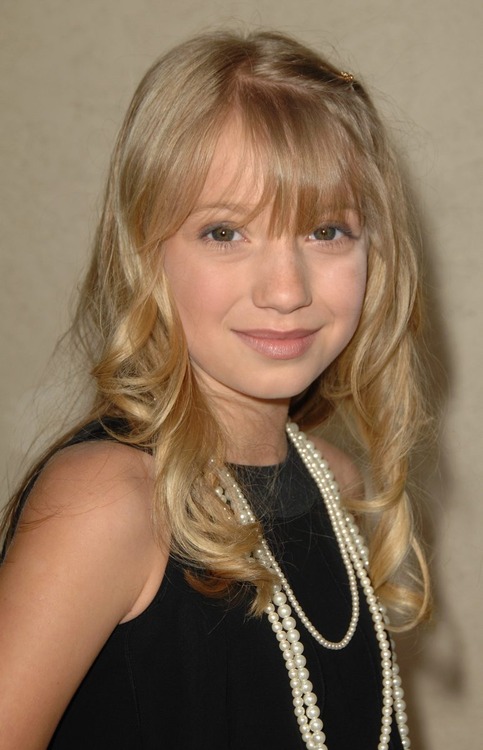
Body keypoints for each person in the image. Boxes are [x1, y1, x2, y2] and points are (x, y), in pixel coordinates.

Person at [0, 29, 431, 750]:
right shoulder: (108, 502)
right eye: (225, 233)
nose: (286, 291)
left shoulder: (336, 482)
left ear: (376, 253)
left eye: (326, 231)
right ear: (146, 252)